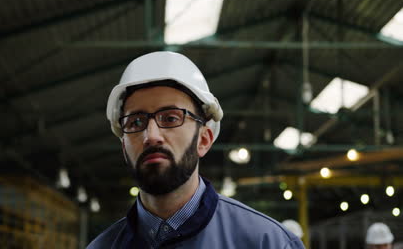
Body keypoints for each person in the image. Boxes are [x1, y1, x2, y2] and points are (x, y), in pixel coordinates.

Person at [87, 51, 305, 249]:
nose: (151, 136)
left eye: (171, 118)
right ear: (124, 147)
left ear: (204, 140)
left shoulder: (268, 243)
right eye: (135, 122)